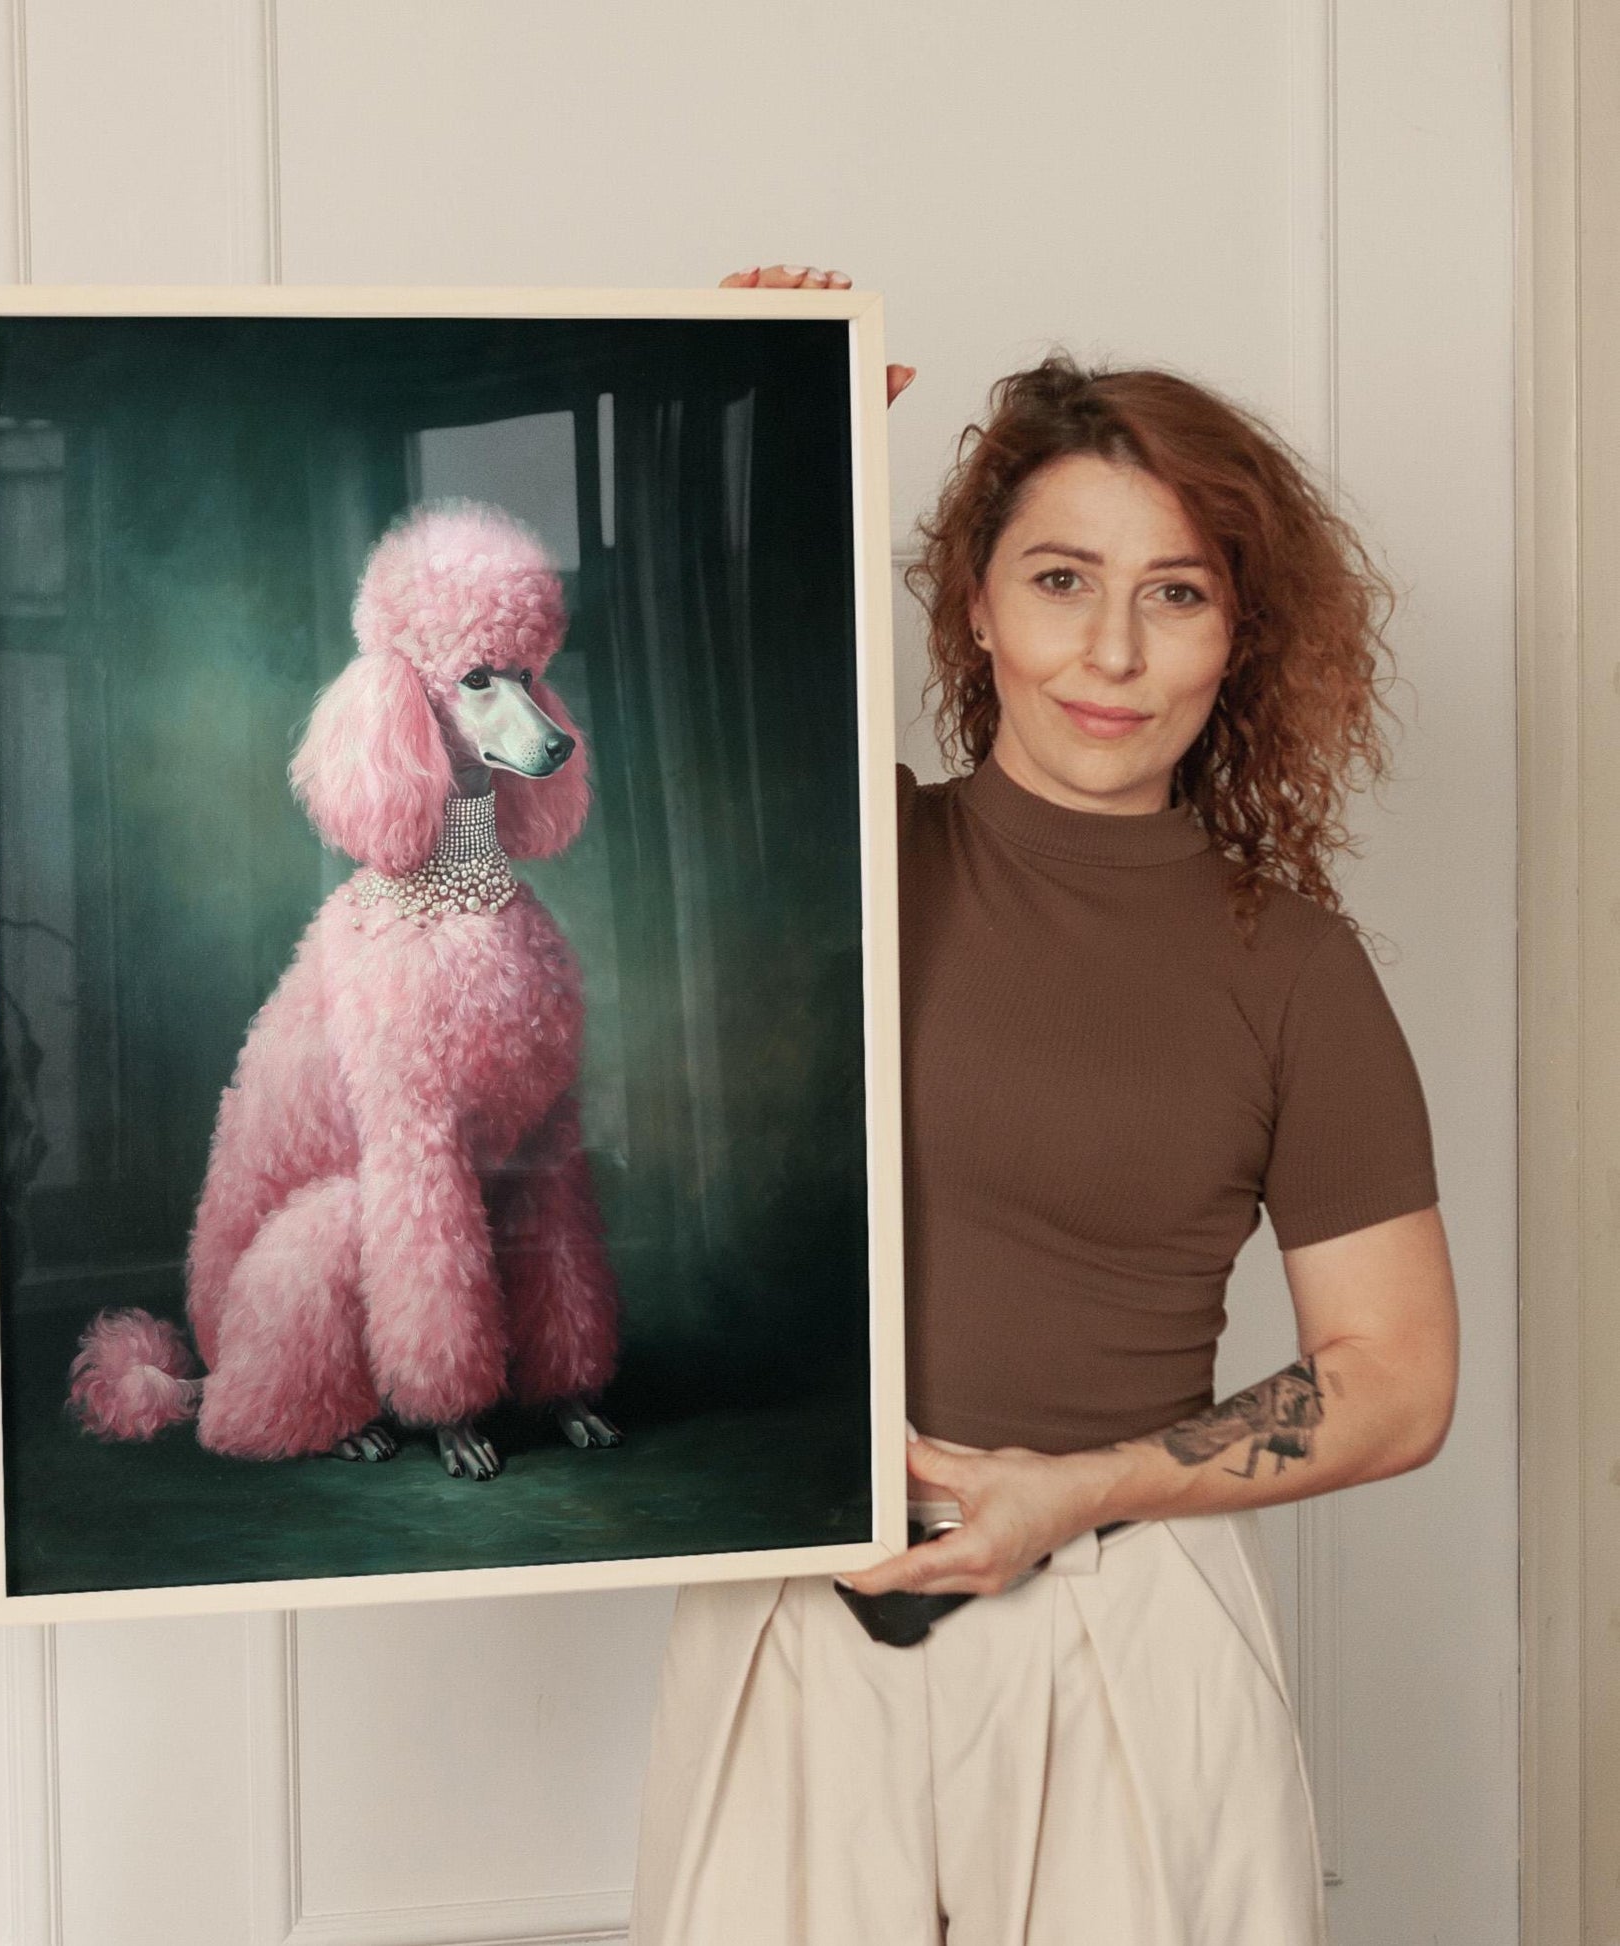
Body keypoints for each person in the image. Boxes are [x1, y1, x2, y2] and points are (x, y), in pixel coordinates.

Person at [624, 266, 1459, 1946]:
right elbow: (657, 706)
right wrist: (751, 403)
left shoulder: (1292, 967)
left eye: (1175, 593)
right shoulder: (840, 862)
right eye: (1061, 579)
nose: (1111, 650)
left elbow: (1395, 1378)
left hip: (1126, 1630)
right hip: (795, 1620)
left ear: (1239, 635)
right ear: (976, 606)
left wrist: (1077, 1488)